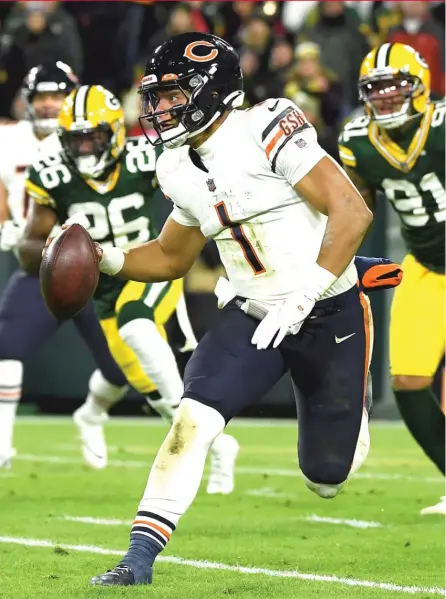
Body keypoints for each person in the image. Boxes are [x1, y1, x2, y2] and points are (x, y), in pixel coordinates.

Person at [73, 32, 376, 586]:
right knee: (192, 419)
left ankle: (352, 393)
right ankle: (138, 558)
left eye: (171, 94)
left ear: (210, 89)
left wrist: (305, 293)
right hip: (252, 313)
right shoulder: (175, 165)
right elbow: (171, 255)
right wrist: (106, 257)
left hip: (327, 309)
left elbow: (351, 212)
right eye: (155, 96)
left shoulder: (266, 126)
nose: (160, 108)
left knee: (328, 477)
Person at [22, 83, 239, 492]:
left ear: (115, 133)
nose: (85, 149)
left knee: (136, 324)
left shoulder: (144, 155)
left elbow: (198, 181)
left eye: (94, 137)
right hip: (100, 288)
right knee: (145, 384)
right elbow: (28, 248)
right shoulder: (51, 171)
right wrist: (50, 246)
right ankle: (219, 445)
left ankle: (191, 439)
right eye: (76, 139)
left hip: (146, 267)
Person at [0, 62, 130, 469]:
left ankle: (91, 415)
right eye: (42, 97)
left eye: (57, 95)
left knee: (121, 368)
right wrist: (6, 225)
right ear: (27, 99)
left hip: (94, 264)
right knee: (7, 347)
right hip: (38, 259)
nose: (50, 104)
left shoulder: (88, 138)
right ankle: (2, 444)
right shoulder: (8, 139)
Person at [338, 42, 445, 515]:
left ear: (420, 88)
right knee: (408, 380)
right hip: (427, 266)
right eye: (375, 91)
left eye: (394, 88)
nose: (384, 99)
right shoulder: (358, 141)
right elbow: (356, 210)